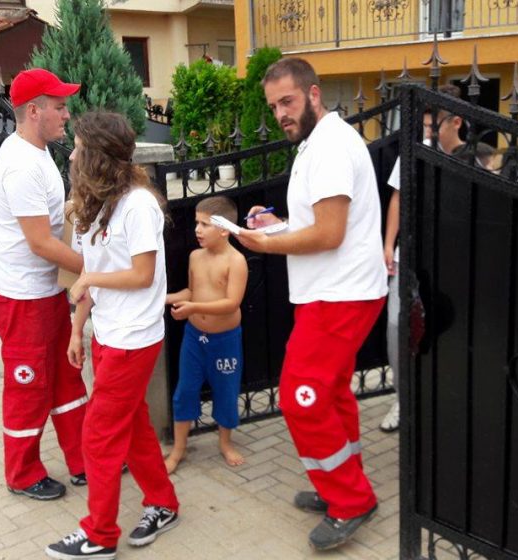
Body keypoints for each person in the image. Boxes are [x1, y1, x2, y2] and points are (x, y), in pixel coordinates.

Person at [234, 57, 388, 551]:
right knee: (332, 393)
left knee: (302, 396)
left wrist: (266, 244)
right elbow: (318, 222)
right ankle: (341, 485)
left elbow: (329, 234)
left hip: (339, 294)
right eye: (273, 106)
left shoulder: (330, 147)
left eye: (288, 101)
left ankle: (351, 500)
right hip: (332, 291)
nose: (281, 113)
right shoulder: (318, 143)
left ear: (314, 94)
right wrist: (275, 223)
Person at [46, 112, 179, 560]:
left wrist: (90, 281)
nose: (72, 156)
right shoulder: (98, 204)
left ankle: (99, 535)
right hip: (107, 333)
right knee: (133, 424)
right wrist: (77, 330)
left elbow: (142, 275)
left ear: (99, 155)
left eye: (80, 148)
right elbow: (94, 273)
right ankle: (163, 503)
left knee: (99, 436)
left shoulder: (138, 205)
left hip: (133, 338)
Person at [0, 68, 87, 501]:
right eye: (60, 106)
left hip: (43, 290)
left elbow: (51, 222)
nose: (67, 114)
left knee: (65, 375)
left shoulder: (36, 152)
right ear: (34, 111)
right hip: (20, 295)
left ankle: (84, 459)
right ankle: (21, 474)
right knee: (30, 383)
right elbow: (40, 243)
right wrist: (92, 270)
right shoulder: (22, 166)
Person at [379, 83, 467, 433]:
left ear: (457, 121)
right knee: (396, 327)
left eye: (435, 124)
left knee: (449, 332)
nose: (428, 130)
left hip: (453, 262)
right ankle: (403, 398)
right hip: (411, 258)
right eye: (426, 123)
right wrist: (389, 244)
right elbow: (398, 199)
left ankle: (445, 399)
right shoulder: (413, 152)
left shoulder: (473, 158)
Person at [164, 195, 249, 473]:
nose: (197, 230)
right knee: (185, 391)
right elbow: (191, 291)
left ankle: (225, 443)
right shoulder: (195, 256)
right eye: (196, 223)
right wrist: (164, 299)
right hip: (194, 338)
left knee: (226, 391)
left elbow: (231, 303)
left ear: (224, 229)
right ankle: (178, 449)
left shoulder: (236, 261)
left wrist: (193, 308)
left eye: (205, 224)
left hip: (225, 341)